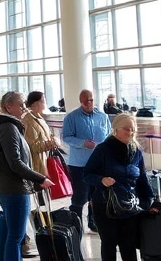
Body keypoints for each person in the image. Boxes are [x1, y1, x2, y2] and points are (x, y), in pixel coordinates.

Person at [0, 92, 55, 261]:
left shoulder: (0, 126)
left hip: (3, 186)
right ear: (9, 107)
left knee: (13, 235)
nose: (25, 108)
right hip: (13, 189)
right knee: (16, 237)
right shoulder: (8, 128)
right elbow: (15, 163)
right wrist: (40, 178)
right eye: (21, 104)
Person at [83, 114, 155, 261]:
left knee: (128, 246)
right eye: (126, 129)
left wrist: (148, 202)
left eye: (133, 129)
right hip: (105, 206)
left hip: (129, 206)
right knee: (109, 244)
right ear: (115, 129)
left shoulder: (136, 152)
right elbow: (87, 174)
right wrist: (102, 180)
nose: (130, 133)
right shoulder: (102, 149)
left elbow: (142, 179)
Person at [61, 89, 112, 232]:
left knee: (96, 195)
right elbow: (66, 137)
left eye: (91, 100)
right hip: (79, 164)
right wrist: (83, 143)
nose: (89, 103)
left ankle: (93, 221)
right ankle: (75, 223)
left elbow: (108, 135)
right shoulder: (71, 117)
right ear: (80, 101)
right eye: (85, 101)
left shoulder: (102, 116)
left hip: (98, 163)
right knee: (80, 195)